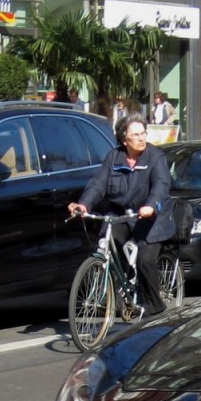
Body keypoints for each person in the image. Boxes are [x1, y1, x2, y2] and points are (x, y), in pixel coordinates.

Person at [67, 118, 174, 319]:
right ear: (124, 139)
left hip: (152, 219)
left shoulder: (155, 157)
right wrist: (84, 204)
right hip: (123, 215)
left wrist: (150, 206)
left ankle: (155, 306)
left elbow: (161, 185)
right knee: (109, 244)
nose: (141, 138)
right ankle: (119, 291)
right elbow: (98, 184)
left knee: (145, 260)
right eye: (136, 135)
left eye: (143, 133)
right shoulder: (114, 157)